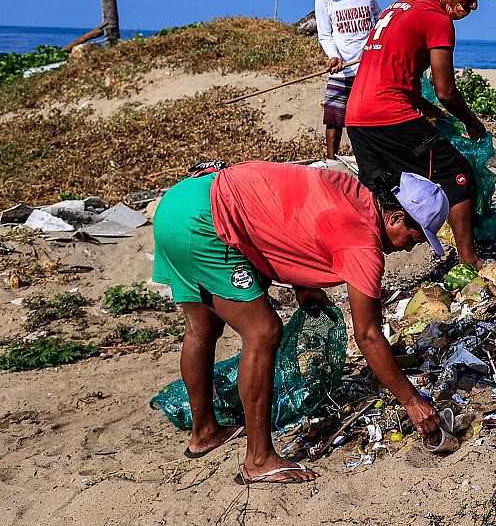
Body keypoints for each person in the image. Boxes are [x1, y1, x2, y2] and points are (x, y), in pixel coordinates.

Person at [152, 161, 448, 484]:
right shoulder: (364, 244)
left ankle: (204, 432)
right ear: (394, 217)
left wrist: (304, 286)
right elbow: (368, 335)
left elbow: (293, 213)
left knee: (202, 328)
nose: (408, 248)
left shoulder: (346, 187)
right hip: (206, 223)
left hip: (180, 203)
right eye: (413, 238)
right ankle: (259, 459)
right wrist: (412, 401)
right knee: (263, 332)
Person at [344, 0, 495, 268]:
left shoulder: (402, 6)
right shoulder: (437, 18)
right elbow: (446, 91)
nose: (473, 7)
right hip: (389, 113)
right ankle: (469, 260)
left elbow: (403, 77)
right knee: (458, 174)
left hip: (357, 116)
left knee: (380, 195)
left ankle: (364, 270)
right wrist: (473, 124)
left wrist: (430, 112)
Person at [313, 0, 381, 161]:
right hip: (342, 70)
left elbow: (378, 17)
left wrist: (378, 47)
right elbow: (325, 35)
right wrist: (334, 56)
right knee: (334, 119)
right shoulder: (322, 1)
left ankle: (371, 159)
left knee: (368, 118)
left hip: (368, 69)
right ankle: (331, 161)